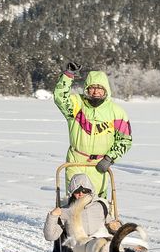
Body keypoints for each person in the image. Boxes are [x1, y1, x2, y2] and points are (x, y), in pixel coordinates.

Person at [54, 62, 132, 198]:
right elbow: (60, 97)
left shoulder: (117, 112)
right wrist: (68, 75)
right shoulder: (76, 104)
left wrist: (109, 158)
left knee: (98, 202)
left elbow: (125, 140)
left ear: (106, 90)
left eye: (100, 88)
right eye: (92, 88)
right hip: (76, 161)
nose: (96, 91)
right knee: (75, 201)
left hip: (99, 165)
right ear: (86, 89)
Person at [45, 173, 118, 252]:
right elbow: (50, 236)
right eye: (77, 191)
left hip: (97, 247)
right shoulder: (67, 210)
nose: (81, 194)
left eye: (84, 191)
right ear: (72, 193)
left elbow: (112, 227)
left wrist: (115, 226)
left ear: (90, 191)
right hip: (77, 251)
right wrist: (52, 216)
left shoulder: (101, 206)